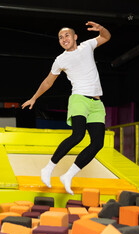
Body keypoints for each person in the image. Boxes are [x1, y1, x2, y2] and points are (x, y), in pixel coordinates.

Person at [21, 21, 111, 195]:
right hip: (79, 99)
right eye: (60, 38)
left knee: (97, 143)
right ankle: (48, 168)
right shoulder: (60, 60)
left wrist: (101, 29)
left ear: (75, 37)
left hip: (97, 103)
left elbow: (106, 37)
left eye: (67, 35)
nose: (64, 39)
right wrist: (34, 98)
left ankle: (68, 175)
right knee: (78, 135)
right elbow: (48, 82)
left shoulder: (87, 46)